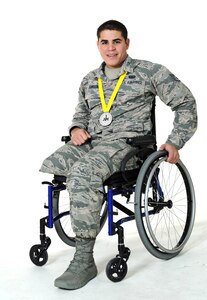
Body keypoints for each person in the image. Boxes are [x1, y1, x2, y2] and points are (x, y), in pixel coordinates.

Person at [40, 20, 197, 289]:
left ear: (127, 43)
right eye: (105, 42)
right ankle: (83, 217)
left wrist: (175, 141)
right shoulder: (90, 79)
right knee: (53, 163)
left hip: (129, 145)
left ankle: (83, 260)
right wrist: (76, 127)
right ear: (98, 44)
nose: (110, 48)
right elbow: (81, 111)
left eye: (116, 41)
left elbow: (186, 103)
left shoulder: (149, 72)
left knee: (83, 173)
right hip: (93, 141)